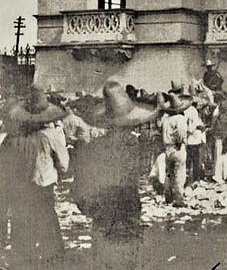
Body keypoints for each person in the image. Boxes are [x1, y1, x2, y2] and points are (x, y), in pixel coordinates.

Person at [73, 81, 161, 269]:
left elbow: (79, 193)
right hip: (129, 223)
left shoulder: (93, 148)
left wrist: (95, 211)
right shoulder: (134, 147)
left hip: (103, 223)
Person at [0, 84, 69, 268]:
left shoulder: (10, 141)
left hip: (19, 190)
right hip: (43, 187)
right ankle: (51, 258)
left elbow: (3, 168)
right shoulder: (49, 136)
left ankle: (23, 258)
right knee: (47, 221)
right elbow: (63, 163)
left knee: (21, 224)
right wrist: (58, 173)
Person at [158, 93, 194, 207]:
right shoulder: (180, 119)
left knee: (169, 173)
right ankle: (178, 198)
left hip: (167, 148)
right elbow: (181, 133)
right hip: (177, 147)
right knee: (180, 173)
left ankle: (168, 195)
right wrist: (181, 142)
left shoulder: (166, 120)